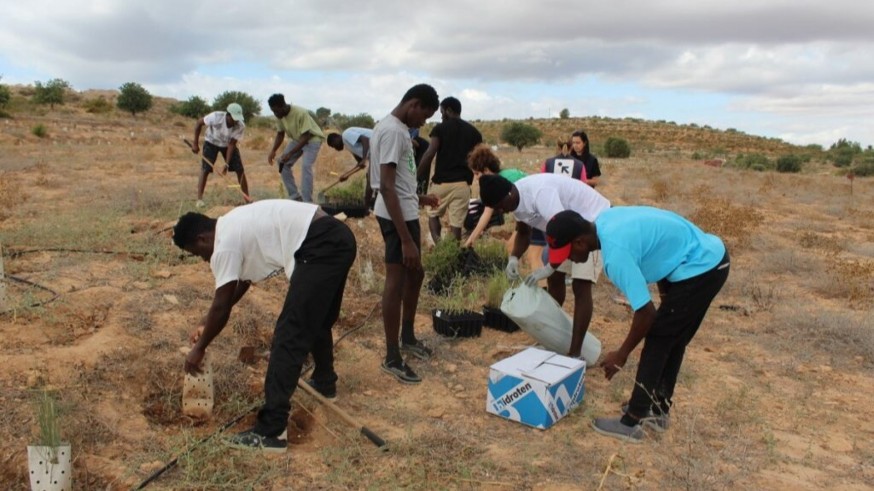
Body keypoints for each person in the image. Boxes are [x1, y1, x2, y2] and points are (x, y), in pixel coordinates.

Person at [173, 199, 357, 453]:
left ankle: (271, 431)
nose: (204, 260)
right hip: (338, 237)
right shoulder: (234, 223)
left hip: (319, 244)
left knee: (288, 334)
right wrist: (206, 323)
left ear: (202, 239)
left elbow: (221, 305)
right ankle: (325, 383)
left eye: (198, 254)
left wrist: (199, 349)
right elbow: (241, 283)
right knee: (317, 318)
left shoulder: (224, 244)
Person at [545, 208, 729, 443]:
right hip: (707, 257)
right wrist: (668, 298)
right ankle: (657, 410)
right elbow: (660, 247)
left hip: (702, 268)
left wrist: (621, 354)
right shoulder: (605, 221)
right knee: (673, 338)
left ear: (580, 242)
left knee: (659, 338)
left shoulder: (615, 256)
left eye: (567, 253)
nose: (568, 260)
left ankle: (632, 421)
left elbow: (646, 314)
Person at [478, 173, 610, 358]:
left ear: (508, 195)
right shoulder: (515, 199)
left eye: (500, 207)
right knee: (555, 280)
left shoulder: (541, 194)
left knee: (581, 285)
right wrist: (514, 258)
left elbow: (564, 227)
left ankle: (575, 352)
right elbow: (524, 232)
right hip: (570, 231)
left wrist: (549, 266)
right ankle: (553, 337)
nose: (501, 212)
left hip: (593, 223)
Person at [370, 83, 440, 384]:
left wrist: (419, 198)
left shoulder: (395, 129)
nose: (423, 123)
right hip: (397, 220)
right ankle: (392, 356)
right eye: (424, 115)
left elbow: (395, 181)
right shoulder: (394, 131)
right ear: (413, 104)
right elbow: (385, 185)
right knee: (396, 283)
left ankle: (408, 336)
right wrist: (407, 239)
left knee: (416, 275)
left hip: (406, 212)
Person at [416, 97, 483, 243]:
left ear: (449, 110)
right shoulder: (474, 133)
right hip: (463, 186)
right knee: (456, 226)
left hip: (441, 184)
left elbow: (429, 154)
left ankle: (440, 247)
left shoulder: (440, 128)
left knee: (433, 215)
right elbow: (479, 160)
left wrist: (415, 176)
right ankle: (452, 257)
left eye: (442, 112)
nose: (441, 116)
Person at [463, 144, 526, 248]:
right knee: (512, 248)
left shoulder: (503, 181)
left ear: (486, 170)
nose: (475, 178)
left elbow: (486, 213)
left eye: (477, 173)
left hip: (535, 212)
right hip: (529, 214)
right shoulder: (502, 177)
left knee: (520, 250)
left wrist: (470, 241)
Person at [267, 94, 326, 202]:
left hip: (312, 140)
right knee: (282, 163)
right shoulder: (280, 116)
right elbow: (280, 134)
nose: (275, 114)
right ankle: (295, 196)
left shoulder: (300, 113)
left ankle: (307, 201)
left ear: (283, 106)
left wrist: (290, 154)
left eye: (276, 111)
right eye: (273, 111)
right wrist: (273, 150)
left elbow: (306, 136)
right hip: (298, 139)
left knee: (306, 166)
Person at [190, 103, 250, 207]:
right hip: (211, 142)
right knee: (205, 169)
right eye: (233, 118)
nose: (235, 121)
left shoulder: (240, 126)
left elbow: (231, 144)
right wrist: (195, 143)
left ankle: (247, 199)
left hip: (227, 144)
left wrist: (226, 164)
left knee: (240, 169)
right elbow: (199, 123)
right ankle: (199, 200)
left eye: (237, 118)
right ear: (228, 115)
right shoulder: (215, 117)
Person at [326, 127, 375, 206]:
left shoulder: (346, 135)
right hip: (376, 152)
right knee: (372, 179)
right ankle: (368, 207)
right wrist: (347, 175)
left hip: (379, 147)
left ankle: (366, 209)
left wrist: (364, 158)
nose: (335, 149)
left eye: (333, 145)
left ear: (337, 137)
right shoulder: (348, 146)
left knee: (371, 179)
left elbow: (365, 139)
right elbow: (360, 164)